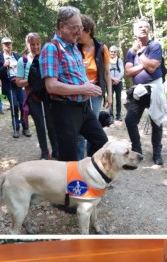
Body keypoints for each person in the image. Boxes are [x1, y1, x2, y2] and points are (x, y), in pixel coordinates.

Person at [39, 6, 107, 162]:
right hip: (65, 110)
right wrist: (83, 87)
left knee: (101, 141)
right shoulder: (51, 48)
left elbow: (74, 76)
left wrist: (86, 84)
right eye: (75, 27)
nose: (79, 32)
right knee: (69, 156)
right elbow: (51, 86)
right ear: (61, 26)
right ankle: (69, 185)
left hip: (83, 107)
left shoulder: (75, 48)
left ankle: (90, 173)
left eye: (80, 27)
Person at [124, 18, 167, 165]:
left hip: (154, 88)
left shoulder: (155, 45)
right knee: (130, 120)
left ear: (149, 30)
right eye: (139, 27)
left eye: (145, 27)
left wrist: (140, 53)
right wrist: (145, 63)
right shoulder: (131, 51)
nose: (143, 29)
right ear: (134, 31)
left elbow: (152, 68)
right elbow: (128, 72)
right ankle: (137, 150)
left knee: (157, 121)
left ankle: (157, 153)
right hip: (139, 91)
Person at [15, 33, 59, 160]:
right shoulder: (22, 61)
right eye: (32, 44)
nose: (35, 47)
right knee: (40, 124)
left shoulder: (45, 57)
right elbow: (18, 82)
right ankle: (45, 152)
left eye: (37, 44)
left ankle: (56, 150)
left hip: (47, 96)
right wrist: (33, 80)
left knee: (51, 124)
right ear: (27, 45)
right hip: (32, 97)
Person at [76, 15, 112, 159]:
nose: (77, 34)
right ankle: (78, 163)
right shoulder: (74, 47)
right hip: (78, 92)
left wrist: (109, 95)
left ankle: (92, 160)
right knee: (79, 129)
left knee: (93, 127)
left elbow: (107, 73)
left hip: (96, 93)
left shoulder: (101, 48)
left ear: (89, 31)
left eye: (80, 31)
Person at [0, 37, 30, 139]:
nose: (8, 45)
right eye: (6, 44)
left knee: (23, 106)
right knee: (15, 106)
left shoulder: (16, 56)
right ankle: (16, 128)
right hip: (9, 85)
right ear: (2, 46)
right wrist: (4, 66)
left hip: (19, 83)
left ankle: (25, 127)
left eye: (9, 43)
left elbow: (22, 68)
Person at [109, 46, 124, 121]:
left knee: (118, 99)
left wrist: (118, 79)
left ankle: (118, 115)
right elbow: (106, 72)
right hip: (110, 82)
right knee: (110, 98)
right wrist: (113, 79)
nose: (113, 53)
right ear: (109, 52)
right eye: (111, 51)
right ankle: (111, 116)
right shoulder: (107, 60)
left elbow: (122, 71)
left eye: (114, 52)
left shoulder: (119, 60)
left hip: (119, 81)